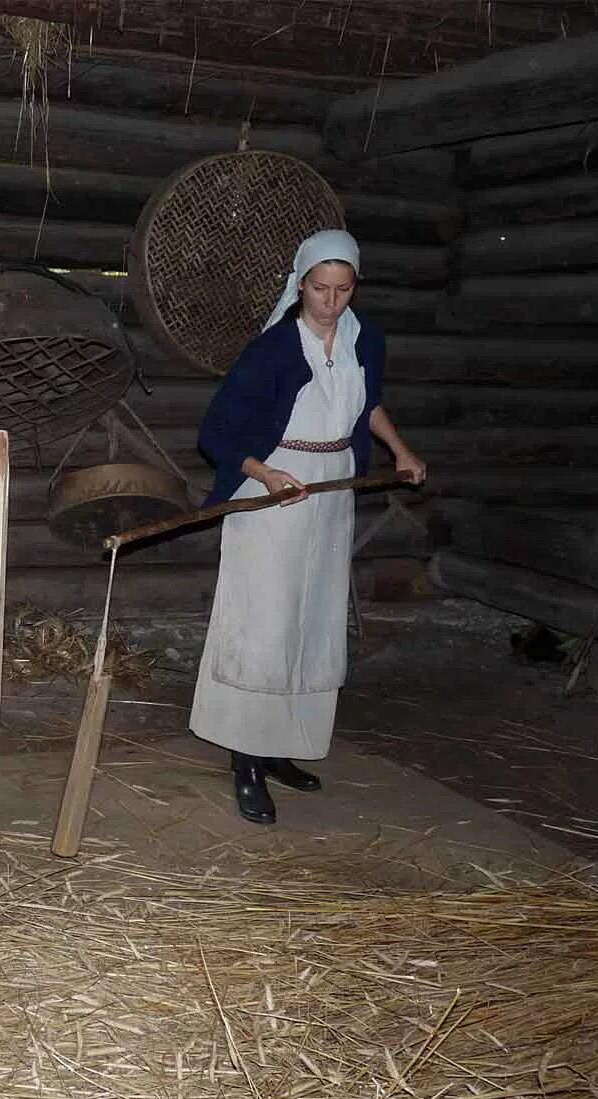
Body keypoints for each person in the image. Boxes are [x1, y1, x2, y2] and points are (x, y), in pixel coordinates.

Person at [190, 229, 426, 826]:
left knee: (314, 618)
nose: (330, 301)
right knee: (268, 621)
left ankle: (283, 747)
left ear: (355, 288)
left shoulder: (363, 340)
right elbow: (216, 431)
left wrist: (400, 451)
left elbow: (367, 404)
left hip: (332, 488)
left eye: (342, 290)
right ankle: (246, 756)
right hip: (275, 489)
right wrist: (264, 474)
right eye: (319, 289)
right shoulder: (272, 349)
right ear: (300, 286)